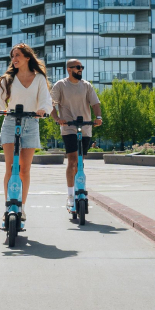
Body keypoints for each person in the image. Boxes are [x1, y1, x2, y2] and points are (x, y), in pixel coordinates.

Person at [0, 43, 52, 231]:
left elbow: (47, 102)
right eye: (12, 56)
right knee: (10, 167)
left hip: (31, 123)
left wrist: (43, 110)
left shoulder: (39, 78)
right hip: (10, 122)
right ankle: (8, 207)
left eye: (17, 55)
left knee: (24, 170)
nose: (14, 59)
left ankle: (21, 208)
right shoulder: (8, 79)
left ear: (27, 57)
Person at [50, 58, 102, 213]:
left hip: (85, 128)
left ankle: (81, 189)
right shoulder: (60, 85)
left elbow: (95, 104)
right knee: (72, 161)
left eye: (81, 67)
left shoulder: (86, 86)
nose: (80, 70)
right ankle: (71, 195)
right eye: (77, 67)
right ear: (69, 69)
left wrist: (98, 118)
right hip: (69, 128)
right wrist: (58, 119)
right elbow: (51, 104)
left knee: (80, 162)